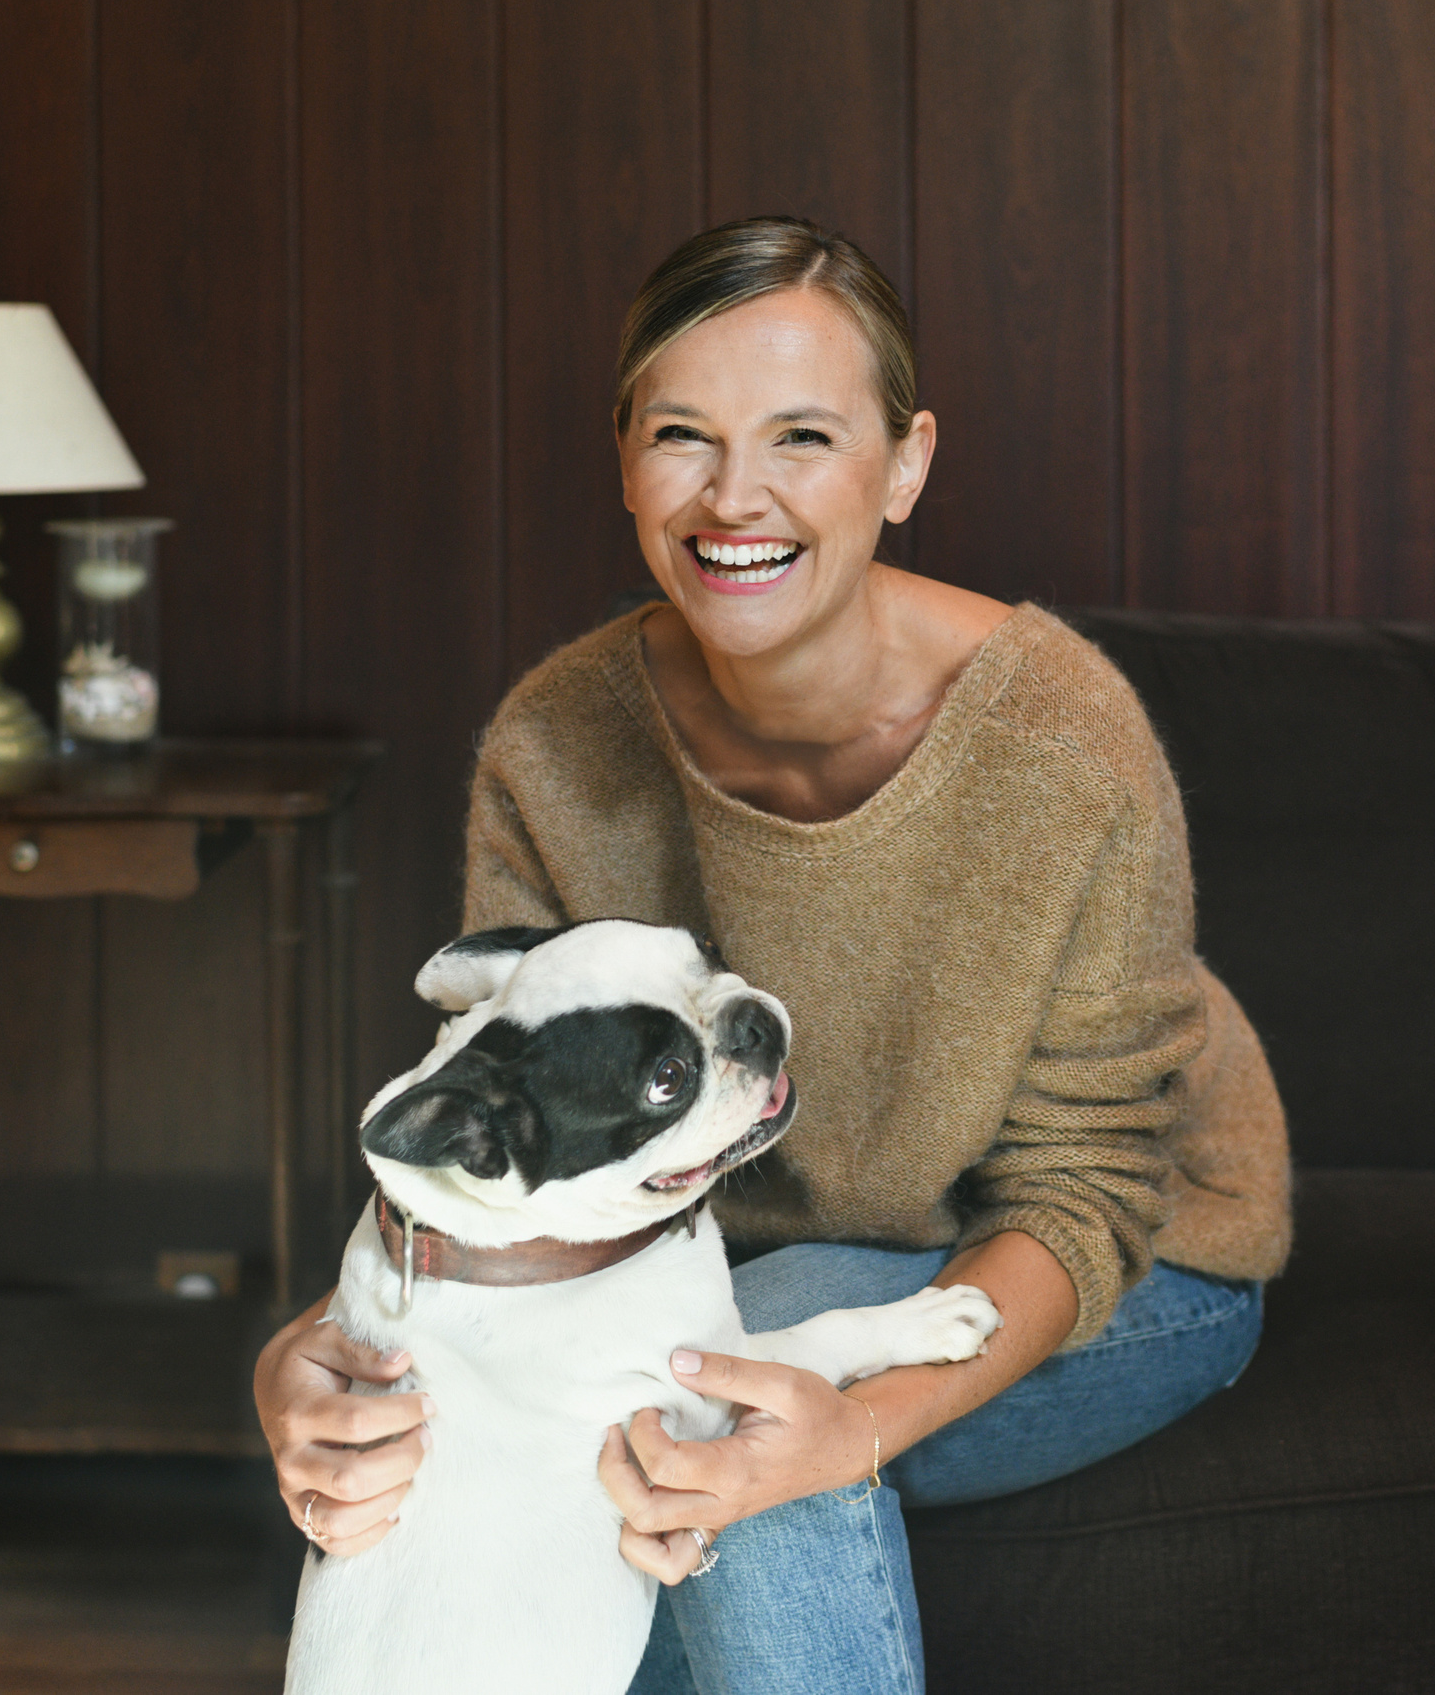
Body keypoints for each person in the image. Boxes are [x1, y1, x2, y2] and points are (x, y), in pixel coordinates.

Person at [252, 217, 1292, 1694]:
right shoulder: (556, 745)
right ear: (626, 462)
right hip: (684, 1274)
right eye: (685, 435)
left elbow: (1090, 1197)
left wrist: (847, 1426)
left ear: (907, 463)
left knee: (743, 1379)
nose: (736, 495)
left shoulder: (1057, 746)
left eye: (803, 435)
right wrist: (300, 1360)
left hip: (1124, 1269)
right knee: (716, 1382)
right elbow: (527, 1174)